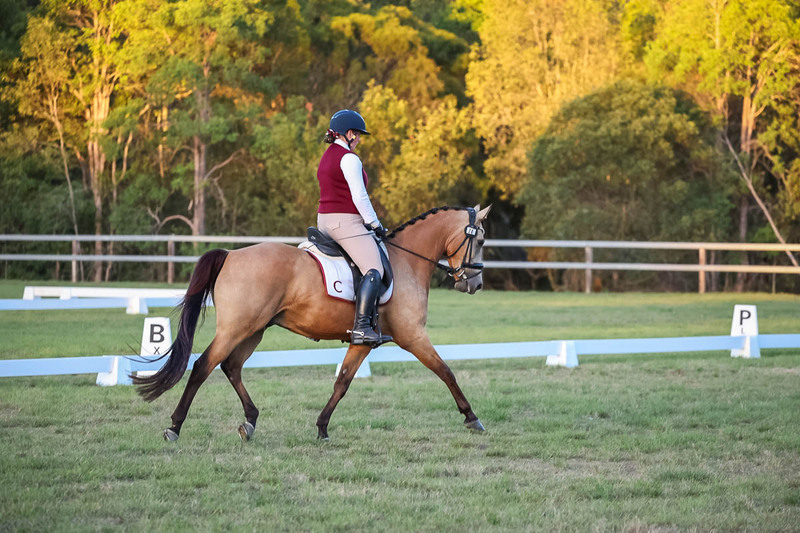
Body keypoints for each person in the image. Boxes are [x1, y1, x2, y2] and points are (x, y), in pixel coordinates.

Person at [317, 109, 391, 346]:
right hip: (345, 222)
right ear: (348, 134)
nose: (359, 139)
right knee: (374, 268)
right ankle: (361, 328)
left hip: (324, 220)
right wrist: (375, 223)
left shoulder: (327, 156)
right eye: (357, 135)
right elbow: (360, 197)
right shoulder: (349, 158)